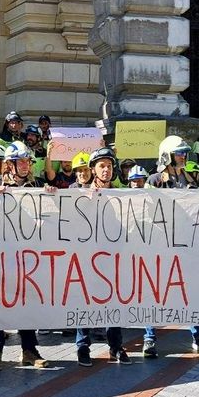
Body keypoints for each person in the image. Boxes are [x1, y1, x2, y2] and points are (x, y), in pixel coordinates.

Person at [0, 142, 50, 370]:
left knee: (27, 303)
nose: (25, 165)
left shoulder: (38, 184)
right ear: (10, 165)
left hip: (28, 257)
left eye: (28, 161)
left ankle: (29, 350)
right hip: (2, 255)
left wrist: (52, 195)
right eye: (21, 161)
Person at [71, 147, 131, 366]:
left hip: (113, 260)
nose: (106, 170)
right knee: (86, 302)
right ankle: (82, 347)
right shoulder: (80, 195)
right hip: (88, 259)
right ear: (93, 170)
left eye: (109, 166)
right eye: (102, 166)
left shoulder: (123, 195)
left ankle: (116, 347)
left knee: (113, 304)